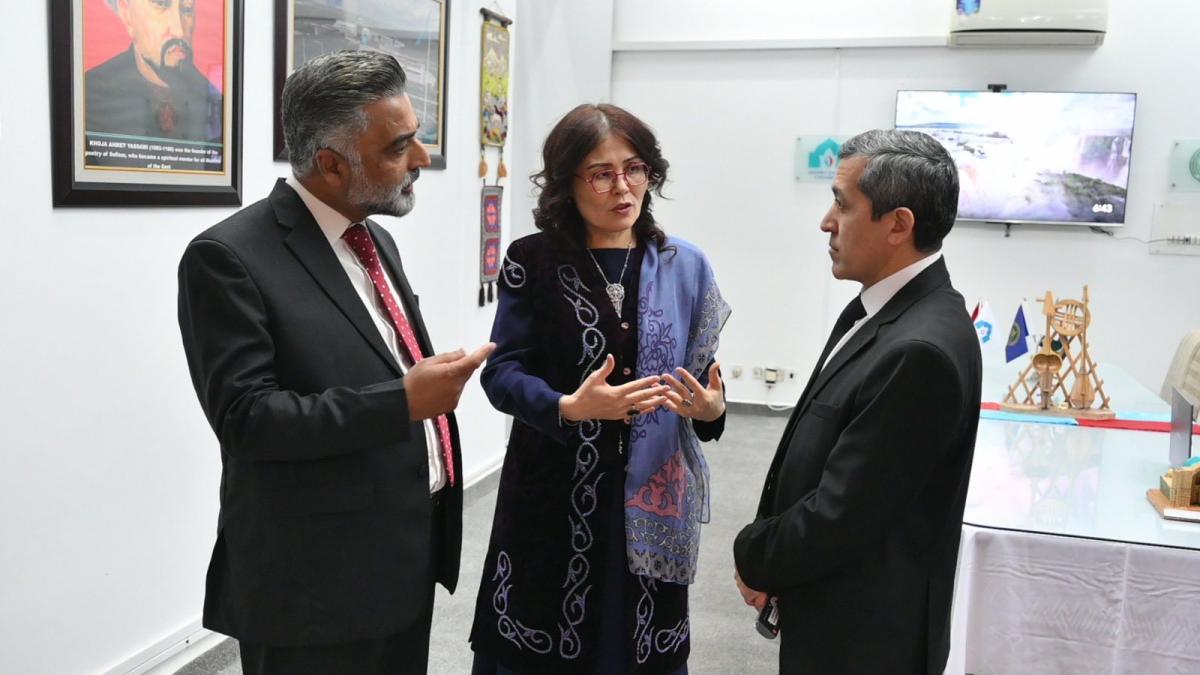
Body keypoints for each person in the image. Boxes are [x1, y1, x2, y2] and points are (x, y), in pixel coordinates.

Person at [177, 50, 493, 674]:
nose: (422, 158)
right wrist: (403, 401)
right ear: (331, 163)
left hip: (399, 562)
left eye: (417, 137)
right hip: (312, 589)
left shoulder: (375, 237)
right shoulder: (228, 258)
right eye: (399, 146)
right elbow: (247, 419)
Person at [468, 103, 731, 674]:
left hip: (652, 497)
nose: (623, 187)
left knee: (637, 644)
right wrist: (567, 406)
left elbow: (703, 382)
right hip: (553, 495)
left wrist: (711, 410)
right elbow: (502, 372)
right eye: (601, 174)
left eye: (634, 169)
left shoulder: (683, 265)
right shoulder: (532, 260)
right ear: (567, 182)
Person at [733, 129, 983, 674]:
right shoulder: (885, 310)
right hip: (837, 615)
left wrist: (755, 555)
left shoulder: (919, 349)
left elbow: (842, 515)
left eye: (842, 205)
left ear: (898, 224)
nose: (827, 222)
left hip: (865, 640)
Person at [86, 0, 222, 143]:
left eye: (187, 9)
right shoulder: (89, 97)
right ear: (126, 13)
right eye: (161, 4)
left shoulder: (217, 106)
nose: (179, 31)